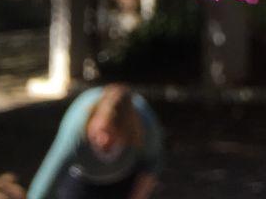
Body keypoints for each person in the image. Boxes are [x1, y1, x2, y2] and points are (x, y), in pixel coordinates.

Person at [26, 84, 163, 199]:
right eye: (100, 131)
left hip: (126, 178)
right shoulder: (76, 126)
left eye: (113, 136)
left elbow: (151, 166)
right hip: (82, 178)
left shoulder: (145, 125)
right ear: (91, 120)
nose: (104, 140)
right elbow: (48, 179)